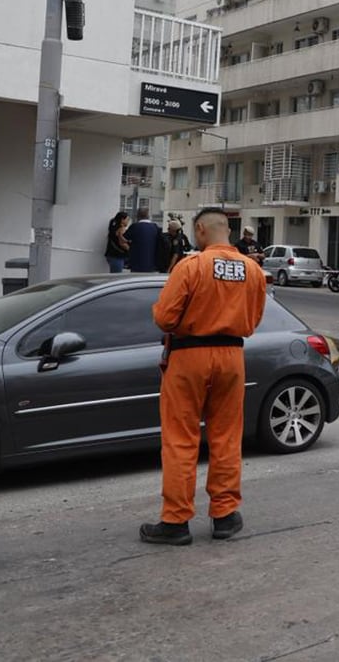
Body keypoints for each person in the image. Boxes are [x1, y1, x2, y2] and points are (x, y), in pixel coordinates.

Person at [140, 208, 267, 547]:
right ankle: (224, 515)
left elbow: (165, 318)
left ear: (200, 230)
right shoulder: (253, 270)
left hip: (188, 357)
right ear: (228, 230)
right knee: (226, 436)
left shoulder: (191, 266)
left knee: (181, 438)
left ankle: (176, 521)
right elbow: (253, 321)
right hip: (232, 357)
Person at [124, 207, 162, 273]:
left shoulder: (135, 226)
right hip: (151, 262)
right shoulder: (155, 227)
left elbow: (124, 238)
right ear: (148, 216)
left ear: (138, 216)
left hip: (136, 262)